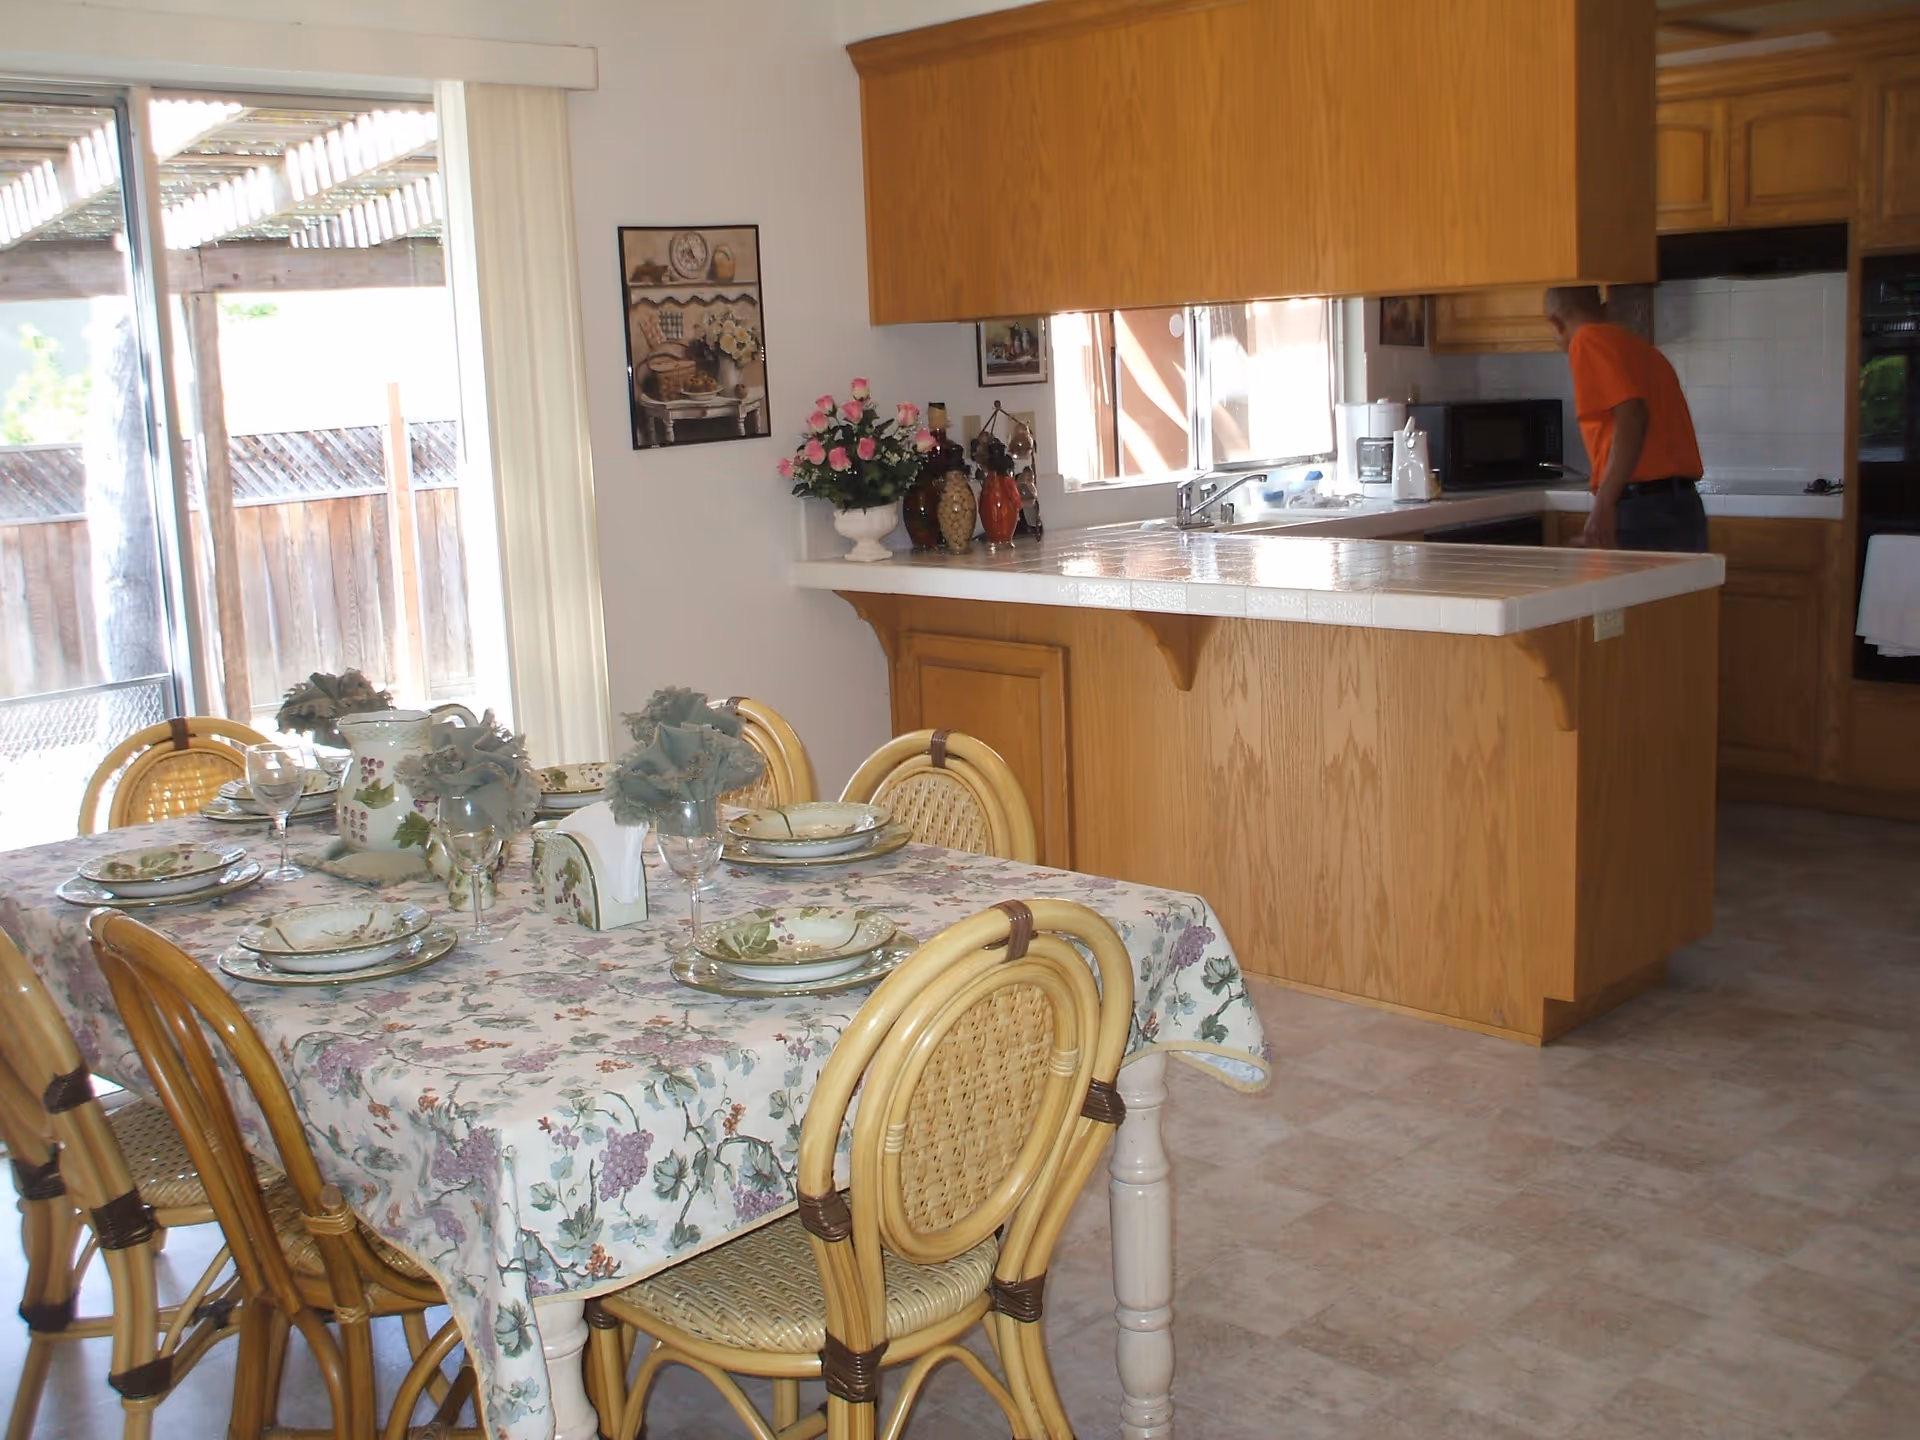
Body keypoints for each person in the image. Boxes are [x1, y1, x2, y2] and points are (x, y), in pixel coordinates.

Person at [1545, 286, 1708, 551]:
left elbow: (1632, 414)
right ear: (1605, 309)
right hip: (1683, 504)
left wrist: (1604, 503)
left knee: (1625, 591)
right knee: (1683, 592)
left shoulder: (1586, 338)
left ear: (1555, 322)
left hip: (1641, 507)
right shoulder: (1643, 350)